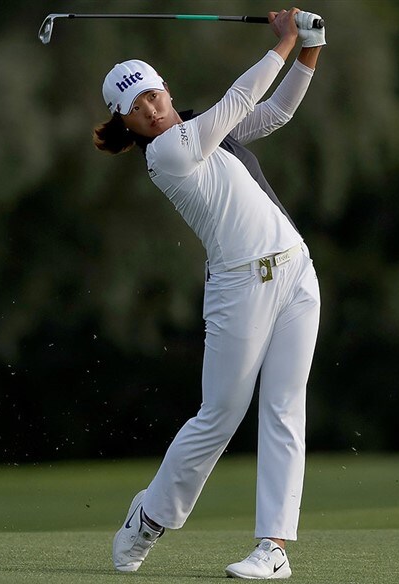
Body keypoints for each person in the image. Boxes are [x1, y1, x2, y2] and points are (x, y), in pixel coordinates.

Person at [93, 8, 324, 580]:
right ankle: (149, 516)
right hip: (238, 286)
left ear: (164, 89)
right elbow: (240, 101)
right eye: (136, 108)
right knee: (219, 415)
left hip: (295, 270)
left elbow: (274, 112)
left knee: (284, 409)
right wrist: (286, 39)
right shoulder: (167, 154)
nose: (149, 108)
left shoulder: (203, 130)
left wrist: (310, 51)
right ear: (129, 123)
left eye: (151, 94)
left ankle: (273, 548)